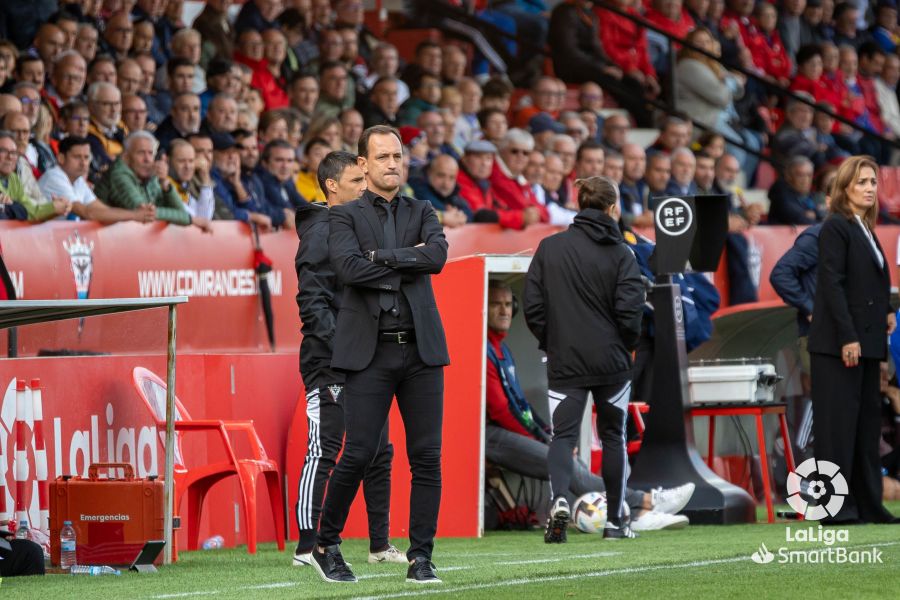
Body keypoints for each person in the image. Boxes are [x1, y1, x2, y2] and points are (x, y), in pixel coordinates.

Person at [312, 126, 448, 584]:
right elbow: (349, 268)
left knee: (427, 458)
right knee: (359, 454)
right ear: (363, 164)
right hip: (369, 354)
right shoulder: (342, 216)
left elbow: (437, 258)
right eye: (383, 156)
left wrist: (383, 259)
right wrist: (406, 259)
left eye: (398, 155)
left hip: (422, 352)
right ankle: (326, 544)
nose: (393, 163)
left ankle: (421, 557)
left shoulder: (423, 209)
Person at [485, 279, 694, 530]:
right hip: (488, 436)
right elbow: (501, 410)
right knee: (566, 464)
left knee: (573, 461)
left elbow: (521, 407)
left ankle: (629, 515)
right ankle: (646, 501)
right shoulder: (484, 350)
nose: (504, 310)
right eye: (496, 304)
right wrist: (544, 438)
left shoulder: (502, 350)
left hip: (505, 433)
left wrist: (549, 434)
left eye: (508, 304)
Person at [293, 150, 406, 568]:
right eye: (357, 181)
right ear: (331, 186)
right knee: (324, 446)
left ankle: (379, 544)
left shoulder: (352, 227)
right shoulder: (321, 231)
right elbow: (312, 299)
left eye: (366, 180)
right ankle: (307, 546)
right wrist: (340, 347)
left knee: (378, 448)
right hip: (331, 358)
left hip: (364, 356)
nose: (365, 187)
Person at [524, 176, 645, 542]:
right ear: (612, 209)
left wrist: (552, 341)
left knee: (562, 437)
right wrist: (625, 345)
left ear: (580, 206)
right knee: (612, 437)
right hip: (612, 363)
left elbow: (532, 306)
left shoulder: (550, 247)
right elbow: (631, 312)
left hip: (566, 361)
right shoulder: (624, 253)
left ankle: (560, 501)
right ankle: (614, 522)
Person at [808, 155, 897, 524]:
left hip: (867, 342)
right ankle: (833, 507)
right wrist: (848, 336)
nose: (870, 189)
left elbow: (866, 285)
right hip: (839, 346)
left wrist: (886, 313)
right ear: (844, 188)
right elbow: (832, 284)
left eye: (873, 182)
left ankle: (868, 505)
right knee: (837, 427)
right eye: (862, 182)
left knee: (864, 427)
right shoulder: (835, 227)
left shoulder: (864, 227)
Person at [96, 131, 210, 231]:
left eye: (150, 153)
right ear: (126, 156)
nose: (147, 159)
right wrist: (190, 219)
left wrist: (165, 184)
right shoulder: (118, 175)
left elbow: (180, 211)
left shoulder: (149, 175)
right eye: (141, 153)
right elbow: (145, 213)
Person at [39, 135, 155, 223]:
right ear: (61, 158)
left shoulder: (78, 181)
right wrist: (134, 215)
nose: (83, 163)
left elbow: (103, 210)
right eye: (77, 157)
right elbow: (88, 213)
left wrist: (138, 213)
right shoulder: (54, 177)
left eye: (86, 157)